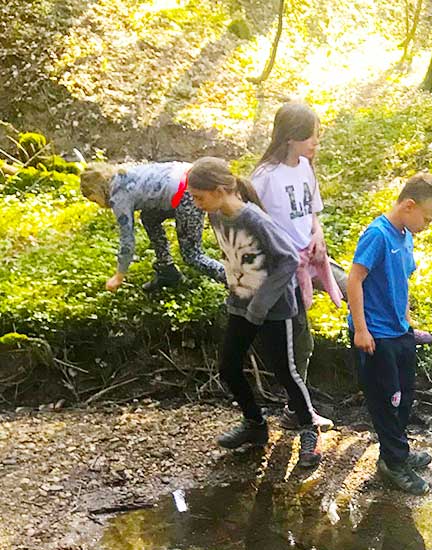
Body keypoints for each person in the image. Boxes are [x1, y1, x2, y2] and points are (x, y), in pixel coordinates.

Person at [186, 157, 322, 468]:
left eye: (199, 196)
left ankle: (308, 431)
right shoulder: (217, 215)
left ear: (221, 190)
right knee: (228, 366)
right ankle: (255, 426)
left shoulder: (255, 220)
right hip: (241, 304)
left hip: (273, 309)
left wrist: (261, 304)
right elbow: (234, 256)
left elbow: (288, 259)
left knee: (285, 372)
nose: (196, 203)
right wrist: (234, 287)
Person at [348, 172, 432, 495]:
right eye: (427, 219)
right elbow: (355, 280)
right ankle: (393, 463)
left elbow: (401, 283)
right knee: (385, 400)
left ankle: (396, 451)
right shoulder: (378, 235)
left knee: (404, 396)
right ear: (408, 205)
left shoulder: (405, 235)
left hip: (399, 331)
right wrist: (361, 329)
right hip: (375, 335)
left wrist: (407, 323)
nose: (427, 226)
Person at [251, 101, 343, 431]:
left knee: (351, 288)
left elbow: (311, 212)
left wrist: (317, 234)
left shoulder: (304, 166)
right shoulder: (264, 177)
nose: (316, 143)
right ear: (291, 137)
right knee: (300, 340)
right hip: (284, 270)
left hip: (312, 256)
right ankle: (297, 409)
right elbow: (253, 225)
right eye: (311, 137)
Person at [79, 161, 226, 292]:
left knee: (192, 255)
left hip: (189, 192)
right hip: (190, 174)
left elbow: (127, 240)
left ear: (96, 190)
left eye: (93, 200)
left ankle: (235, 281)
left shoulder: (119, 197)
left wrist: (118, 276)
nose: (97, 204)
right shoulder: (124, 173)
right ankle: (167, 270)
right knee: (149, 217)